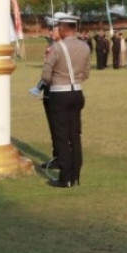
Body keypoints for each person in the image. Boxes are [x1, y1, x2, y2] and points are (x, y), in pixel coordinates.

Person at [41, 12, 91, 188]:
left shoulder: (57, 47)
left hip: (59, 93)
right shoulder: (85, 46)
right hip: (77, 92)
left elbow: (46, 74)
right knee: (74, 135)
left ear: (62, 28)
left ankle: (65, 177)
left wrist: (53, 81)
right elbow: (86, 73)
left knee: (62, 136)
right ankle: (75, 175)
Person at [37, 19, 61, 169]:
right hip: (48, 89)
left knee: (58, 126)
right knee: (53, 126)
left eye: (54, 30)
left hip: (57, 90)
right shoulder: (51, 47)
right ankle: (57, 156)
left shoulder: (60, 48)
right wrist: (39, 86)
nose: (51, 33)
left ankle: (61, 157)